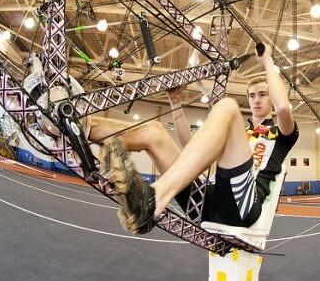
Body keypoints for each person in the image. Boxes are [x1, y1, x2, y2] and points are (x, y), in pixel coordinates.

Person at [89, 44, 299, 234]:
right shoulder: (240, 131)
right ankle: (82, 127)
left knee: (227, 106)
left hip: (242, 206)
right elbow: (191, 150)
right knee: (154, 131)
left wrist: (267, 59)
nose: (256, 100)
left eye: (263, 94)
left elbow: (282, 108)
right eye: (252, 95)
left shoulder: (281, 133)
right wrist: (175, 102)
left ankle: (154, 198)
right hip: (206, 202)